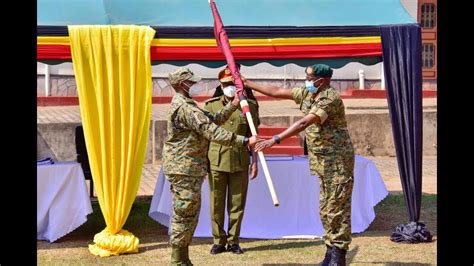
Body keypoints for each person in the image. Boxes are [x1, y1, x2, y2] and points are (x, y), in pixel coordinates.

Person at [243, 64, 354, 266]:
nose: (307, 81)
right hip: (323, 162)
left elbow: (304, 123)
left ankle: (339, 256)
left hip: (337, 162)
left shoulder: (329, 98)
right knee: (326, 208)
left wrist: (275, 139)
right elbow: (277, 92)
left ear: (321, 80)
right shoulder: (308, 93)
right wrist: (247, 83)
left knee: (337, 207)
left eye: (310, 78)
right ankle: (330, 252)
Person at [162, 67, 260, 265]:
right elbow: (213, 131)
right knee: (184, 214)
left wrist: (233, 105)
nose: (196, 86)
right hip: (184, 167)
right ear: (182, 84)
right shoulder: (185, 108)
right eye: (192, 82)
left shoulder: (188, 105)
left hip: (188, 167)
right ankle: (177, 261)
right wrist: (244, 141)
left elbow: (212, 119)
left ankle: (184, 259)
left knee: (188, 214)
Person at [204, 66, 260, 255]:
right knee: (216, 202)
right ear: (220, 85)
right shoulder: (211, 106)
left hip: (239, 160)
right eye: (225, 84)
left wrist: (255, 163)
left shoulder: (250, 106)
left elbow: (253, 136)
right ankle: (218, 240)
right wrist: (203, 163)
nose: (229, 87)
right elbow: (205, 136)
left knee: (237, 203)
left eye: (232, 84)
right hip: (216, 160)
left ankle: (234, 240)